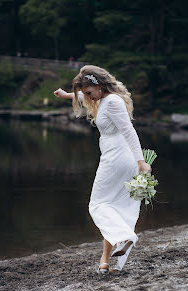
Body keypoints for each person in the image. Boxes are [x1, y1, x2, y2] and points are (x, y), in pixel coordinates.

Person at [54, 65, 151, 273]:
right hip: (117, 156)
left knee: (97, 205)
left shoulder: (112, 102)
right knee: (112, 206)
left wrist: (141, 162)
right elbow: (85, 97)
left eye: (89, 92)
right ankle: (105, 260)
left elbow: (129, 131)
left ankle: (125, 237)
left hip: (117, 158)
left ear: (98, 85)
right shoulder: (105, 99)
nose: (88, 97)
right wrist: (67, 95)